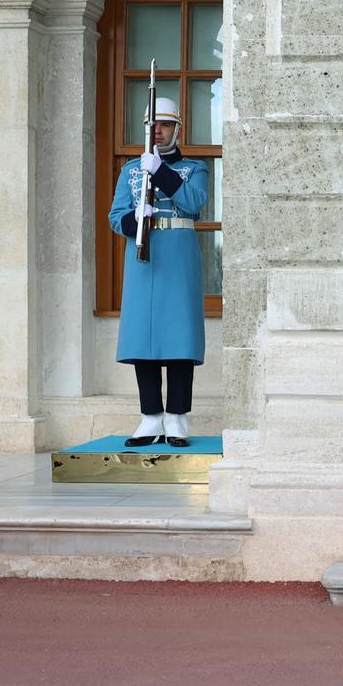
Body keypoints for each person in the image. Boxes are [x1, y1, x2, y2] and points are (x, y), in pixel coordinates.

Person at [107, 97, 209, 448]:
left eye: (166, 125)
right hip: (144, 255)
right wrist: (136, 217)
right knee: (144, 337)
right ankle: (150, 417)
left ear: (178, 129)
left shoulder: (195, 168)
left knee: (178, 337)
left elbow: (194, 202)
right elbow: (115, 216)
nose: (159, 131)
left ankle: (177, 418)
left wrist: (160, 172)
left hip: (178, 255)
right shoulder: (130, 171)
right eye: (154, 125)